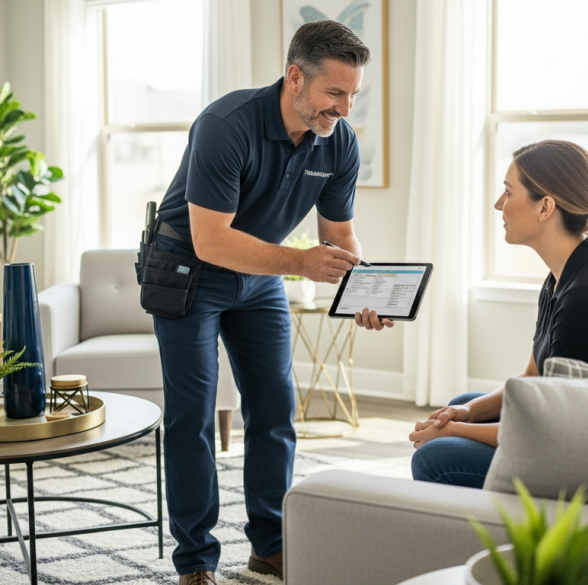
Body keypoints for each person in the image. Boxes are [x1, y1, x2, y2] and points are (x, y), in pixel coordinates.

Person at [149, 20, 389, 585]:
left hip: (259, 276)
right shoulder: (225, 125)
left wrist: (366, 292)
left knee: (276, 410)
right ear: (294, 77)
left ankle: (271, 547)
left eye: (353, 95)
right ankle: (195, 562)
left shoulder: (339, 142)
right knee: (193, 418)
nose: (345, 107)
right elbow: (211, 240)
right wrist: (302, 262)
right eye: (335, 93)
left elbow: (340, 236)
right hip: (189, 270)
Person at [408, 139, 588, 489]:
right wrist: (466, 415)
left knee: (435, 456)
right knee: (462, 403)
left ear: (545, 207)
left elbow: (557, 428)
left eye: (508, 192)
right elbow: (534, 375)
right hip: (570, 428)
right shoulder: (561, 276)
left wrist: (457, 429)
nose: (498, 204)